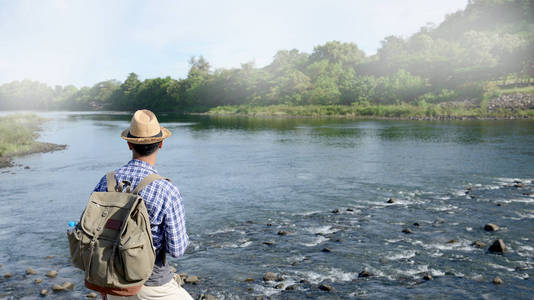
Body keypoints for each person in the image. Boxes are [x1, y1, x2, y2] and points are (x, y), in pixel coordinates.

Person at [92, 109, 193, 300]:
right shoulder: (166, 189)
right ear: (161, 143)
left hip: (112, 282)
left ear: (129, 144)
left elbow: (93, 231)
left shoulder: (106, 181)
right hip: (153, 285)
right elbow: (177, 250)